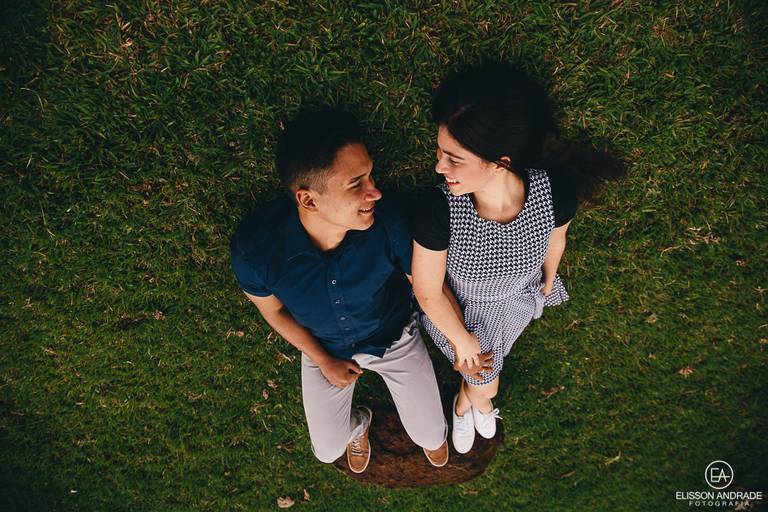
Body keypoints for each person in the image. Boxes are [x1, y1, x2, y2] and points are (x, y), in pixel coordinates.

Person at [411, 62, 623, 454]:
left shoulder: (553, 192)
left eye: (454, 159)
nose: (439, 167)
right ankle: (477, 403)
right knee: (486, 377)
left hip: (516, 299)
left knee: (487, 368)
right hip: (460, 311)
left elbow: (555, 241)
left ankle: (464, 404)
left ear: (499, 162)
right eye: (440, 152)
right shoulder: (438, 209)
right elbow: (427, 291)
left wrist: (547, 280)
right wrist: (464, 342)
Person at [230, 108, 449, 473]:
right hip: (323, 346)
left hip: (393, 335)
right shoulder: (256, 250)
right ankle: (359, 424)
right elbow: (273, 312)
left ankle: (427, 431)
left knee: (432, 435)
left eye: (370, 175)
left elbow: (427, 290)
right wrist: (322, 358)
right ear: (309, 200)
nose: (375, 191)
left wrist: (461, 342)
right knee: (327, 450)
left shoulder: (390, 222)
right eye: (356, 183)